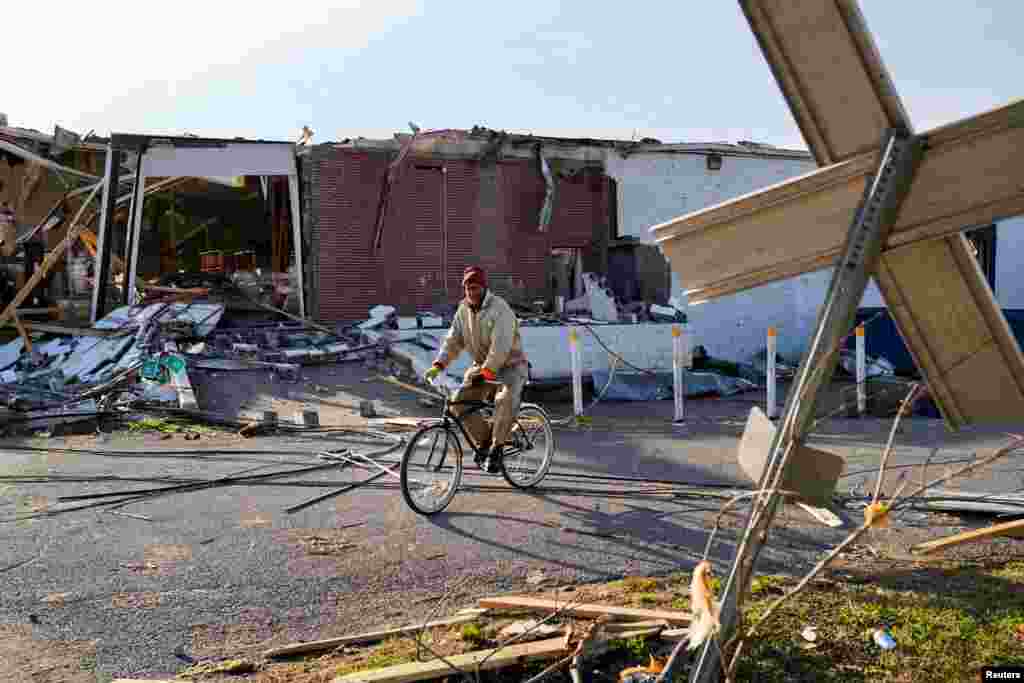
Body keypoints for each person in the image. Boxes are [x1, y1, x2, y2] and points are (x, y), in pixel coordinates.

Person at [424, 266, 529, 473]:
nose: (471, 292)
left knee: (504, 400)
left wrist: (488, 372)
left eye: (475, 287)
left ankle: (497, 450)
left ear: (483, 287)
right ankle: (485, 443)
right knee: (458, 402)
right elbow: (453, 340)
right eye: (468, 288)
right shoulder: (463, 310)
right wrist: (439, 364)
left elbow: (501, 345)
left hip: (510, 365)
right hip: (482, 367)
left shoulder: (500, 308)